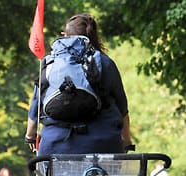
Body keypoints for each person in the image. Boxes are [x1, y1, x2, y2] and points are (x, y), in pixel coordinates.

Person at [25, 13, 133, 155]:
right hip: (103, 146)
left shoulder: (48, 63)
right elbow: (122, 107)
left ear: (64, 35)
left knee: (49, 175)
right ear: (94, 37)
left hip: (55, 146)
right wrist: (126, 141)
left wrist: (30, 137)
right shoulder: (104, 63)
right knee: (109, 175)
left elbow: (35, 108)